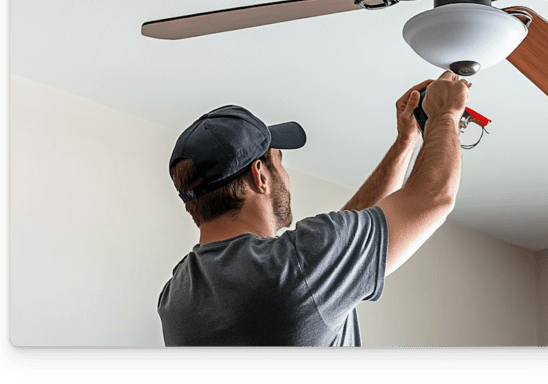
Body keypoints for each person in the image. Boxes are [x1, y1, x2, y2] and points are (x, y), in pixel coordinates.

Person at [157, 70, 471, 346]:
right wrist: (445, 115)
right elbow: (433, 199)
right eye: (279, 161)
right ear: (260, 175)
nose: (285, 174)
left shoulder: (176, 297)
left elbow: (337, 247)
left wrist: (405, 143)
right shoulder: (297, 266)